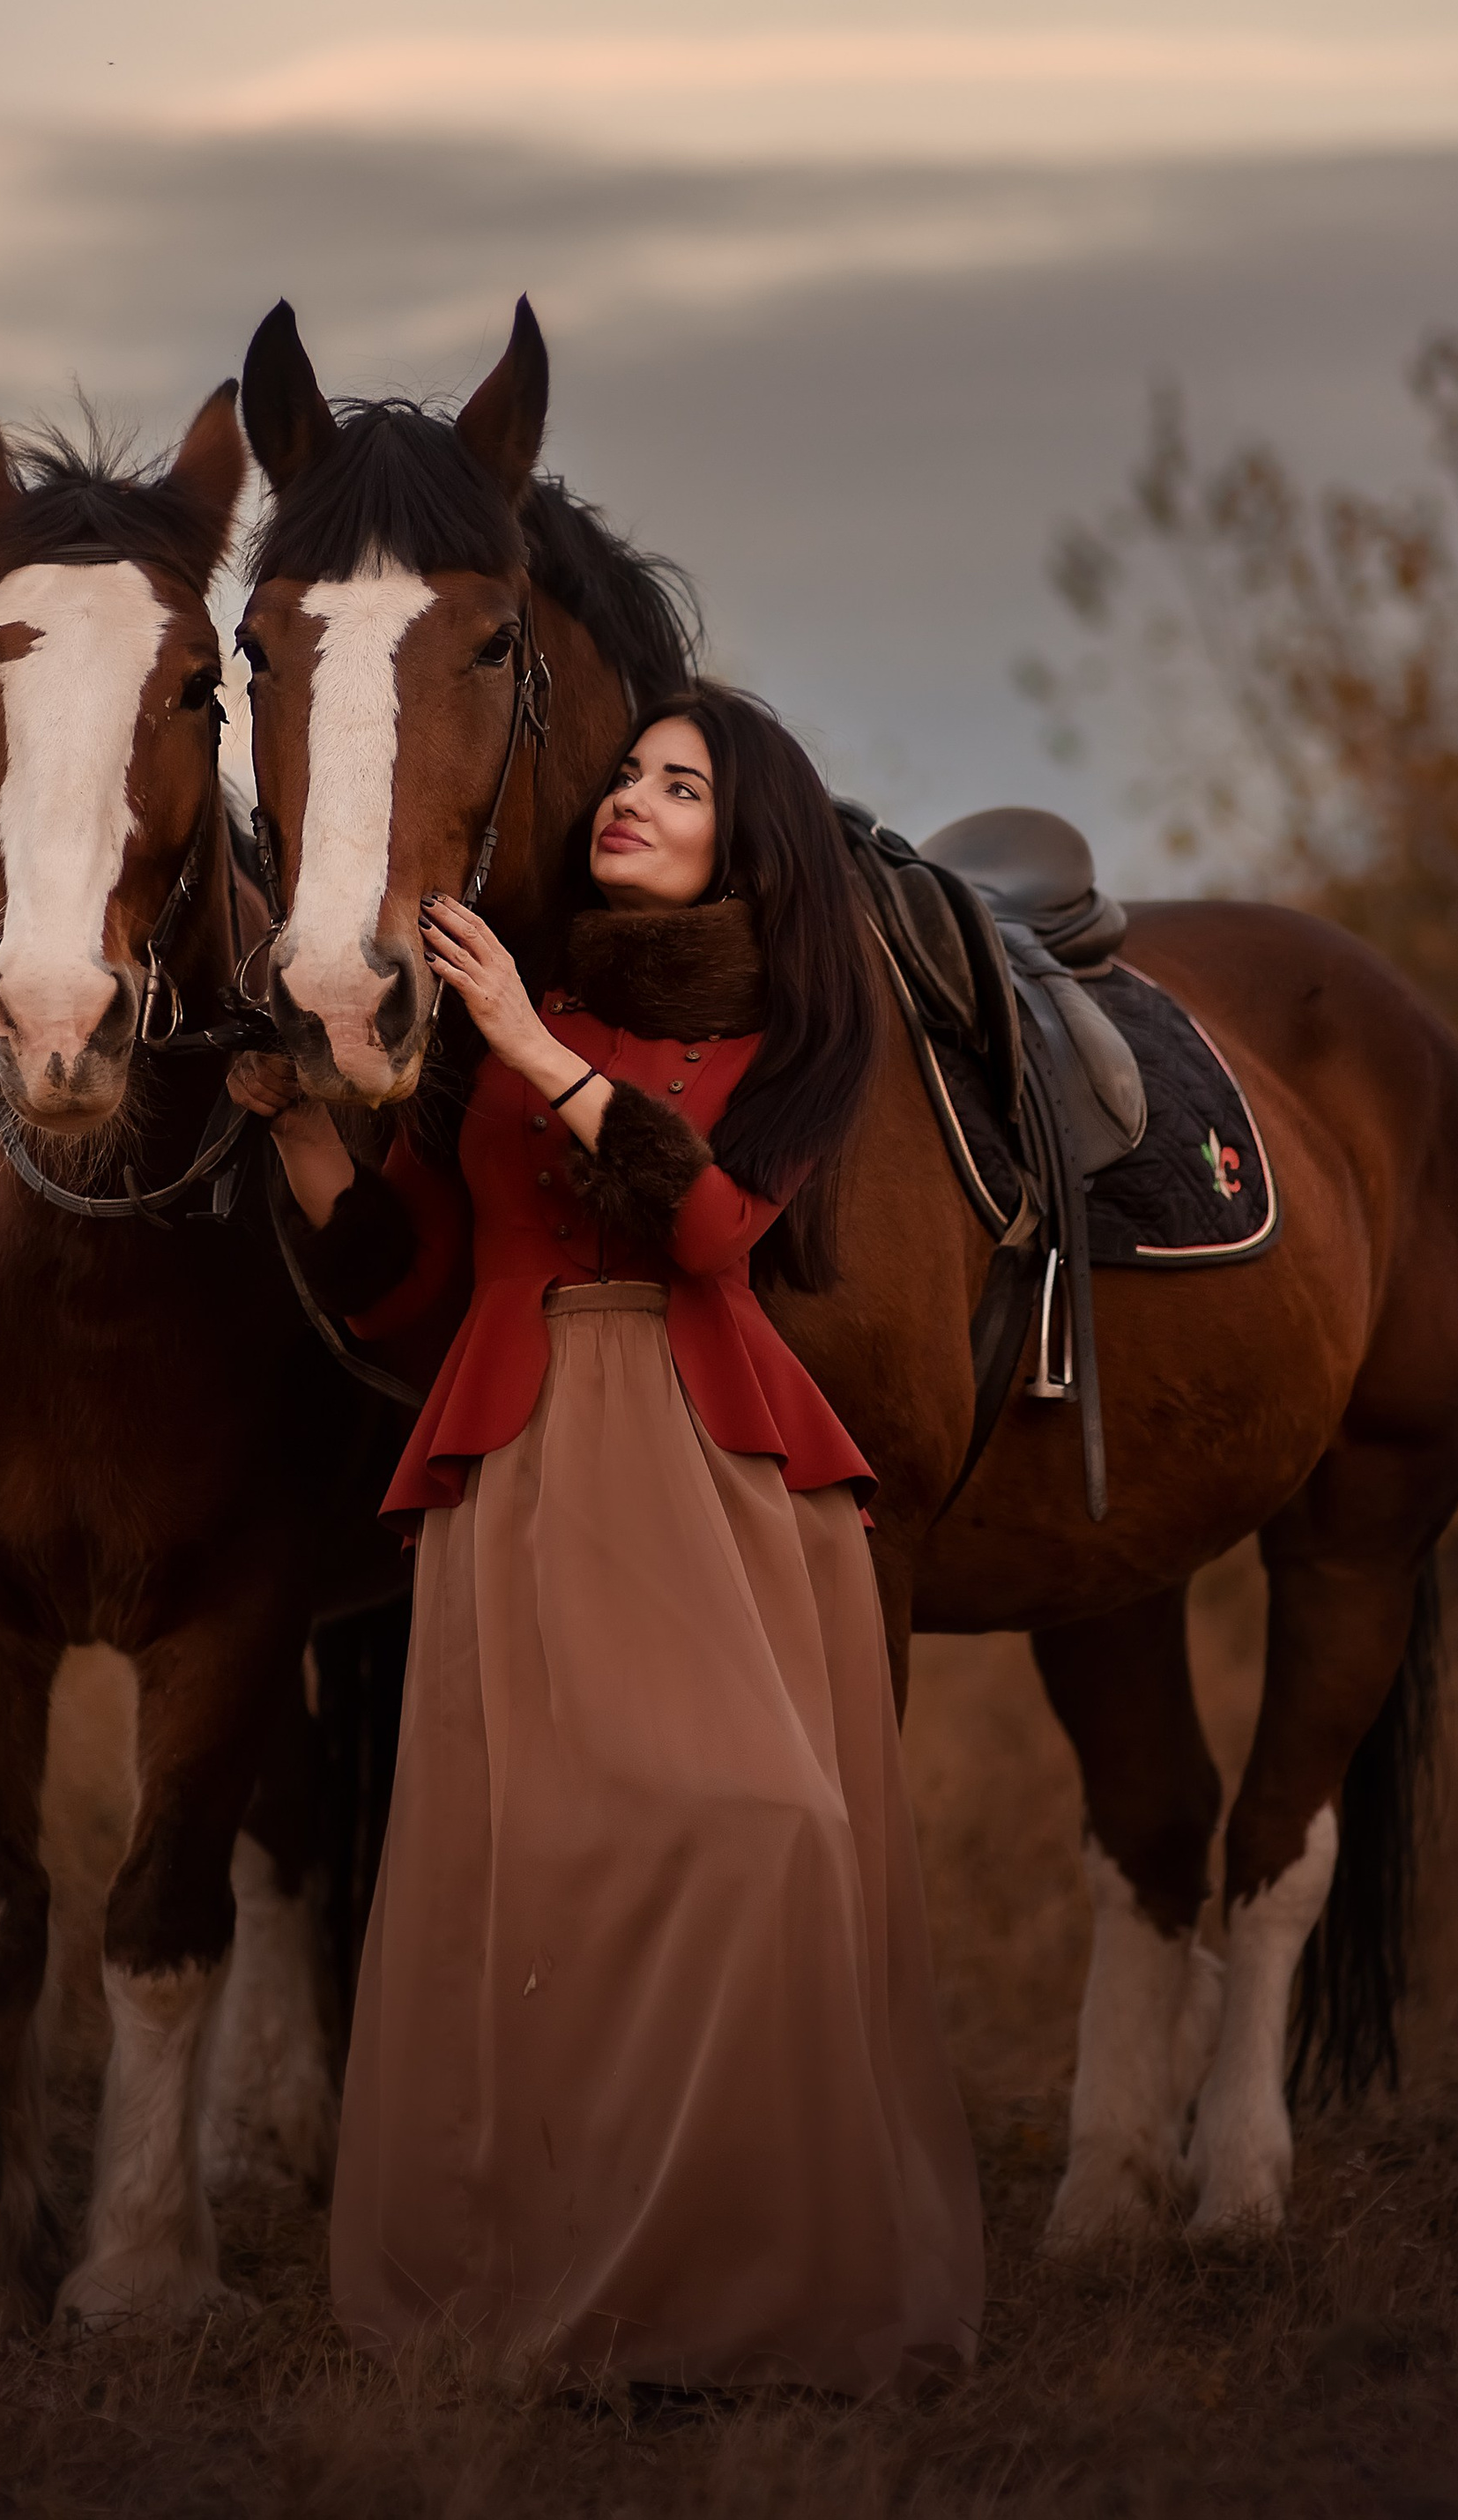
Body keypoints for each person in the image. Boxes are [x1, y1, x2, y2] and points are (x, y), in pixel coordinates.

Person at [232, 684, 983, 2396]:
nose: (627, 801)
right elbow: (412, 1274)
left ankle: (752, 2276)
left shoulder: (790, 1041)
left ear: (747, 837)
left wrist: (530, 1048)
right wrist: (296, 1128)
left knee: (772, 1829)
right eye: (626, 776)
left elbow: (711, 1229)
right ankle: (549, 2283)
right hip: (524, 1456)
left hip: (709, 1474)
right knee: (526, 1885)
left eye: (679, 784)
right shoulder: (525, 1008)